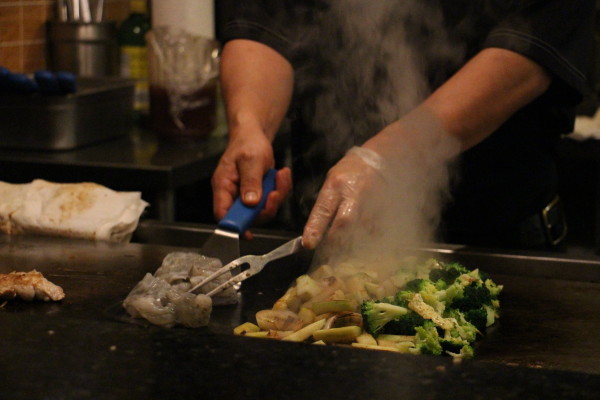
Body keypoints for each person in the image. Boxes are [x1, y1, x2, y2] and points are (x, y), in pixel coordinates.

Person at [211, 0, 595, 251]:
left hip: (498, 244)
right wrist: (250, 126)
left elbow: (526, 57)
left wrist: (386, 157)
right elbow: (262, 23)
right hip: (326, 237)